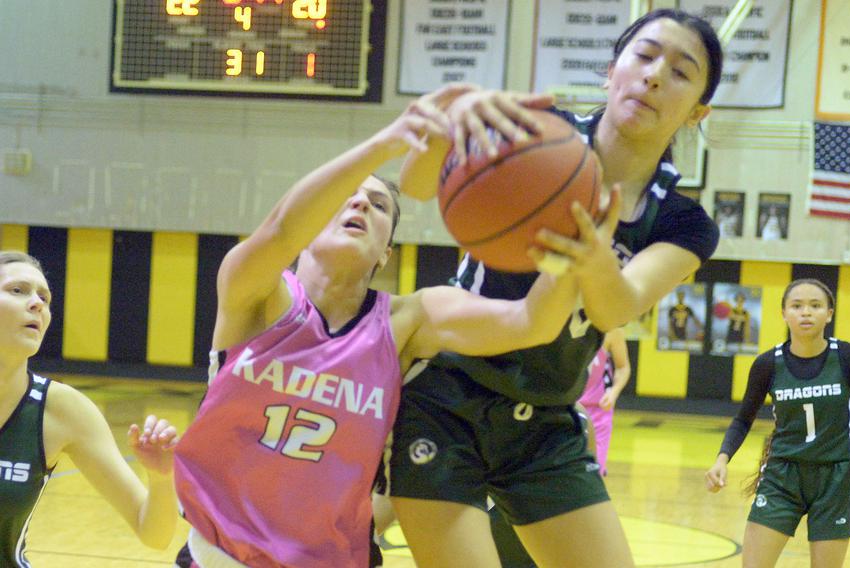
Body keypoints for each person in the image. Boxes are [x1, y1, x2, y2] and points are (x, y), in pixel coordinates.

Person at [172, 84, 585, 568]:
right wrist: (386, 143)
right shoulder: (255, 295)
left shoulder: (407, 321)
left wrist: (572, 234)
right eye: (348, 197)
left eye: (379, 204)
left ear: (387, 250)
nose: (361, 204)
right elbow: (282, 229)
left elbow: (532, 323)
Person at [389, 9, 723, 568]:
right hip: (447, 390)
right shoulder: (538, 135)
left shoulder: (684, 223)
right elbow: (416, 184)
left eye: (682, 71)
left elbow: (616, 304)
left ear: (697, 112)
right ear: (611, 70)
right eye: (643, 56)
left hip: (544, 420)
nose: (655, 75)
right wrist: (453, 121)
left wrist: (593, 252)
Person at [0, 251, 179, 567]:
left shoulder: (62, 410)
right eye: (18, 290)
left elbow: (153, 533)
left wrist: (161, 478)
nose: (37, 304)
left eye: (45, 297)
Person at [705, 278, 850, 568]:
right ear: (784, 313)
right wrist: (721, 459)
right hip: (782, 475)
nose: (805, 312)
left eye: (815, 306)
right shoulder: (767, 364)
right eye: (797, 306)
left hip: (835, 476)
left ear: (829, 313)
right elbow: (743, 420)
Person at [578, 328, 631, 476]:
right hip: (566, 408)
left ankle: (600, 469)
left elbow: (623, 367)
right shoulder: (565, 321)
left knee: (594, 474)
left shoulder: (613, 329)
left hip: (597, 411)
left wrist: (614, 392)